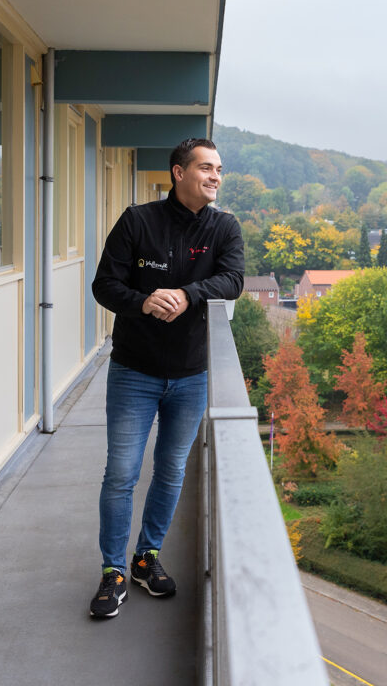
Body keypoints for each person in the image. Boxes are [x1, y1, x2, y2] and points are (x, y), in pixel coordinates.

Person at [89, 138, 244, 618]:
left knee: (172, 470)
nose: (215, 176)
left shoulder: (224, 228)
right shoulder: (138, 221)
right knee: (121, 474)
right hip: (134, 371)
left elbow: (234, 279)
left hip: (191, 376)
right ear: (178, 173)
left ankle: (145, 557)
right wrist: (142, 301)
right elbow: (104, 285)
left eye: (219, 169)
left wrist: (187, 292)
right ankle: (112, 571)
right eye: (205, 167)